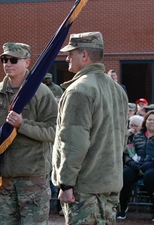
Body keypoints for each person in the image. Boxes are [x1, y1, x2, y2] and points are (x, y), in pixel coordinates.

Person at [0, 42, 58, 224]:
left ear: (27, 62)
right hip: (2, 176)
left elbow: (54, 131)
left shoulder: (41, 93)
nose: (7, 63)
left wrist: (23, 124)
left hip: (32, 177)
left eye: (13, 59)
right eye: (4, 59)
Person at [51, 32, 128, 224]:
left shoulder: (79, 90)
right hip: (110, 184)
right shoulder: (117, 90)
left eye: (71, 53)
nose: (67, 58)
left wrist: (66, 183)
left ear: (84, 56)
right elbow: (122, 139)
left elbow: (74, 142)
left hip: (84, 189)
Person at [118, 110, 154, 221]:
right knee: (125, 174)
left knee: (150, 175)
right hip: (138, 166)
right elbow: (127, 152)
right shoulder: (138, 135)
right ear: (145, 122)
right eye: (149, 119)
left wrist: (152, 163)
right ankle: (122, 208)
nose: (151, 122)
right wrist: (131, 163)